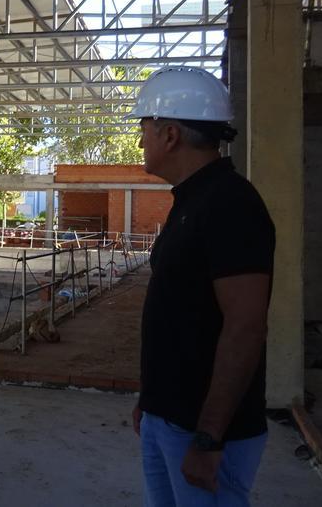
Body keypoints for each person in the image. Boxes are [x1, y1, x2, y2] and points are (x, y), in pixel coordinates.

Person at [127, 66, 275, 507]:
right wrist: (151, 400)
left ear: (169, 134)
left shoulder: (230, 204)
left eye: (144, 129)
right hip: (168, 416)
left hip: (202, 430)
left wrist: (209, 438)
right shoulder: (193, 200)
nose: (140, 141)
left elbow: (245, 327)